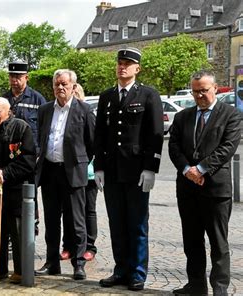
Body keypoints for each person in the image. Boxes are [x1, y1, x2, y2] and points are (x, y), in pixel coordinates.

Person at [94, 47, 164, 291]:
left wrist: (150, 168)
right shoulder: (106, 97)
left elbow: (154, 135)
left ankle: (137, 272)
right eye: (120, 62)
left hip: (136, 172)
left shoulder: (148, 95)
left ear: (137, 68)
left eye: (128, 63)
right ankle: (121, 269)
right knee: (117, 223)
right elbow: (100, 134)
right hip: (112, 170)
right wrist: (99, 167)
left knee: (137, 224)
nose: (122, 66)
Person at [169, 70, 240, 296]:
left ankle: (220, 289)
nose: (200, 95)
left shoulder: (231, 115)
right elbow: (174, 147)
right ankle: (196, 285)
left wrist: (200, 169)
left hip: (216, 190)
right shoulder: (182, 117)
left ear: (215, 89)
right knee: (192, 241)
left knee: (219, 243)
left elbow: (227, 148)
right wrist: (187, 170)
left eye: (204, 90)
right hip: (188, 189)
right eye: (195, 91)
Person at [35, 69, 95, 281]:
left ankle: (79, 263)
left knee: (77, 220)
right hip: (50, 171)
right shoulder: (44, 110)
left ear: (73, 87)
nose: (60, 88)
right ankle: (52, 262)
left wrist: (80, 161)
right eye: (57, 84)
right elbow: (41, 137)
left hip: (73, 171)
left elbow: (92, 143)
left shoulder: (84, 110)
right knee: (51, 220)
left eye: (64, 84)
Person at [0, 97, 35, 284]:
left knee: (17, 230)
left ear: (8, 111)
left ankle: (20, 270)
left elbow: (27, 160)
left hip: (16, 187)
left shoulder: (21, 128)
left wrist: (5, 173)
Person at [2, 61, 46, 236]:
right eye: (12, 77)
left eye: (18, 77)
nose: (15, 80)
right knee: (11, 195)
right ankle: (13, 231)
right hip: (10, 158)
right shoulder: (4, 99)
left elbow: (44, 129)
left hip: (29, 159)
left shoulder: (37, 99)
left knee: (29, 194)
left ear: (26, 77)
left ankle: (30, 228)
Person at [60, 83, 98, 262]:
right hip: (69, 172)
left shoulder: (86, 112)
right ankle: (68, 244)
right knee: (69, 211)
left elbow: (93, 144)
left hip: (87, 172)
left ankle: (89, 245)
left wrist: (84, 162)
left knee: (88, 210)